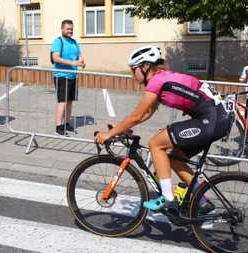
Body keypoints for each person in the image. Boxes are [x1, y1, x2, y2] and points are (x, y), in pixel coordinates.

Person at [94, 46, 230, 212]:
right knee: (175, 158)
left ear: (145, 67)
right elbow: (146, 113)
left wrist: (109, 134)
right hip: (217, 119)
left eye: (133, 69)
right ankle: (202, 202)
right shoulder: (162, 79)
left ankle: (167, 197)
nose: (132, 74)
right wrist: (120, 129)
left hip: (210, 119)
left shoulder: (157, 81)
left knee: (155, 143)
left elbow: (137, 116)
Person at [51, 19, 85, 137]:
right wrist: (73, 63)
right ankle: (58, 127)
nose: (70, 31)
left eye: (71, 29)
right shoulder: (58, 41)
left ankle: (66, 123)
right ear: (62, 29)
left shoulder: (74, 42)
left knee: (70, 102)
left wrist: (81, 61)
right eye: (68, 29)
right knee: (63, 102)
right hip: (61, 75)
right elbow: (55, 58)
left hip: (72, 76)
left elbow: (79, 56)